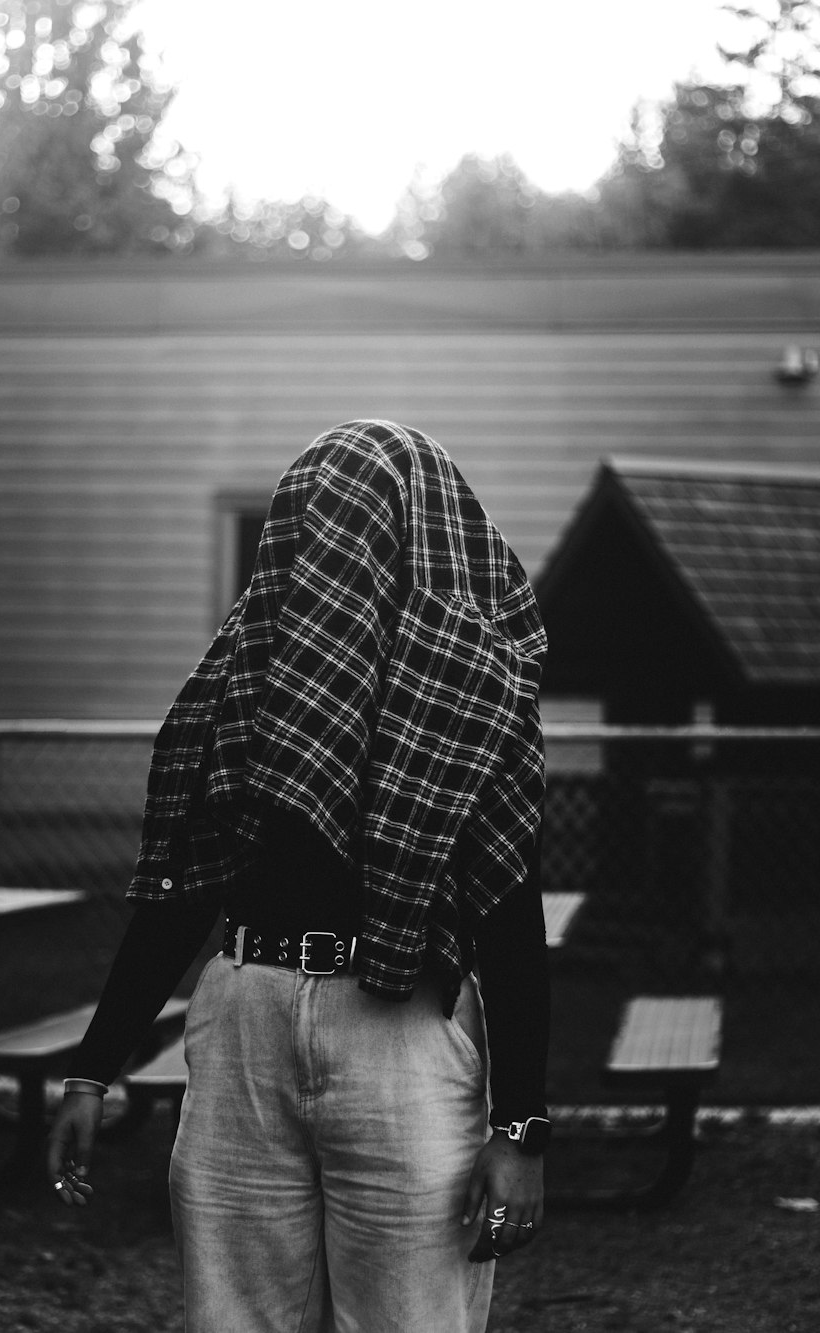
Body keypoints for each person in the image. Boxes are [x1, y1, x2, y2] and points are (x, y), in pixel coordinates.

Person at [47, 419, 551, 1332]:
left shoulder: (474, 692)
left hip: (400, 1036)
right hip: (244, 1022)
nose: (333, 540)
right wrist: (92, 1071)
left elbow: (513, 915)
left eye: (359, 517)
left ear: (415, 528)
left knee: (410, 1317)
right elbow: (182, 893)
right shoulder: (241, 672)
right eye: (314, 515)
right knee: (235, 1315)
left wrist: (520, 1129)